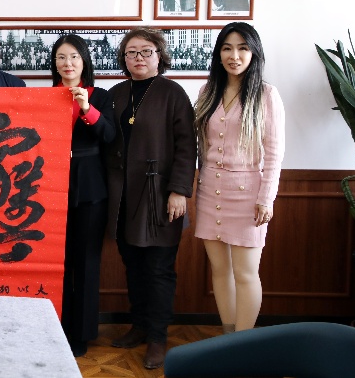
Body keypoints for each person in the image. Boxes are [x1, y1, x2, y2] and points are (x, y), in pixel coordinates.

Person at [105, 28, 196, 370]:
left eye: (146, 51)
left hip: (160, 195)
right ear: (123, 58)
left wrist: (179, 191)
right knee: (133, 266)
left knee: (158, 269)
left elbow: (188, 146)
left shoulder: (173, 93)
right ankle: (140, 325)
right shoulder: (116, 93)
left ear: (159, 56)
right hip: (123, 197)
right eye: (131, 52)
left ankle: (158, 336)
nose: (138, 58)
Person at [193, 22, 285, 334]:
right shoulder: (207, 91)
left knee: (245, 273)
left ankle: (243, 343)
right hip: (210, 189)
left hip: (248, 194)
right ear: (219, 54)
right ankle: (228, 336)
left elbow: (274, 152)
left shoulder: (267, 95)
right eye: (227, 48)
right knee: (219, 271)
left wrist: (266, 199)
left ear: (254, 53)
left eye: (243, 48)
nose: (234, 56)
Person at [50, 34, 115, 357]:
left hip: (90, 187)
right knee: (57, 262)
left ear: (84, 61)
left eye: (74, 57)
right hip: (51, 187)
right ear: (54, 63)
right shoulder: (45, 96)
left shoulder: (100, 96)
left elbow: (109, 135)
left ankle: (83, 333)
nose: (68, 63)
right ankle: (56, 326)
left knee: (87, 262)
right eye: (61, 57)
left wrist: (86, 108)